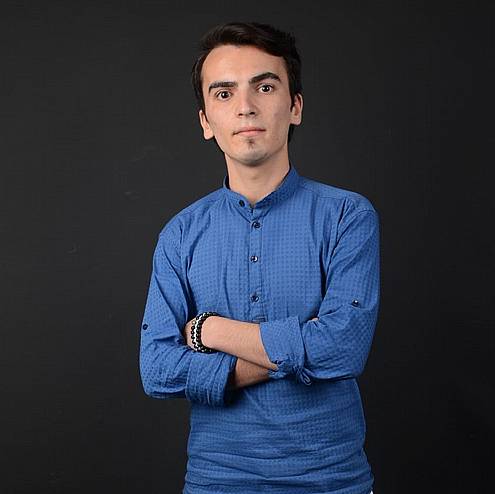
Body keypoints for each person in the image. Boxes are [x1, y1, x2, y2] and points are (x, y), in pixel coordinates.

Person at [139, 21, 379, 494]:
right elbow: (157, 369)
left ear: (295, 107)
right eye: (224, 93)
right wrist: (298, 348)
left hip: (331, 482)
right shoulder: (180, 234)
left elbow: (344, 348)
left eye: (264, 87)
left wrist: (208, 331)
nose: (245, 106)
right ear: (206, 121)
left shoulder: (347, 216)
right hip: (215, 482)